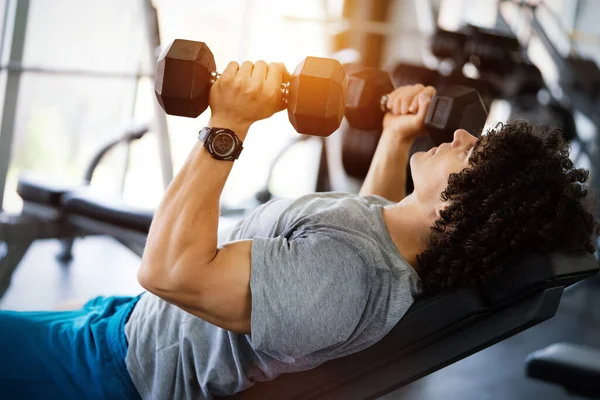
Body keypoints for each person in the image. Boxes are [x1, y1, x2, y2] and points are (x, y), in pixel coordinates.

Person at [0, 60, 597, 400]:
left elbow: (167, 271)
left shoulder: (347, 281)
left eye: (474, 156)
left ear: (463, 209)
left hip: (110, 372)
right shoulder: (383, 253)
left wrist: (228, 124)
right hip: (122, 326)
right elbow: (359, 227)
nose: (465, 137)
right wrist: (393, 138)